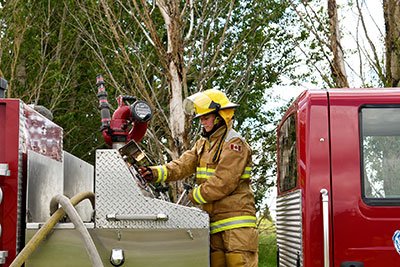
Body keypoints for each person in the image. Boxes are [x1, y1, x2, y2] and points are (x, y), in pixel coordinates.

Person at [139, 89, 258, 267]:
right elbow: (182, 165)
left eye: (206, 117)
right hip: (214, 223)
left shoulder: (234, 144)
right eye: (201, 118)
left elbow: (222, 183)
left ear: (220, 116)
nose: (202, 122)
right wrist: (154, 173)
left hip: (236, 224)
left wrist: (192, 196)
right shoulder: (203, 144)